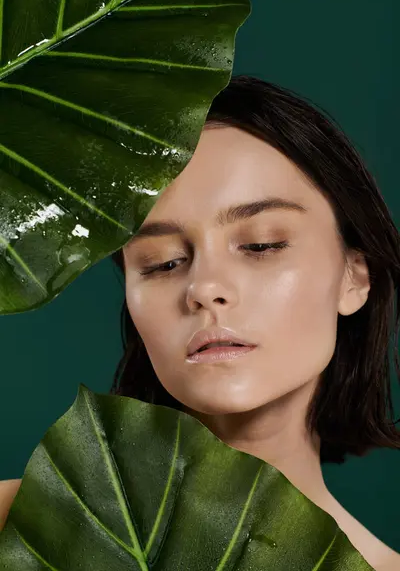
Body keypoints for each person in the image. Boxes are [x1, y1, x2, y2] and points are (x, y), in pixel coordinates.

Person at [1, 76, 399, 570]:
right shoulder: (20, 525)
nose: (204, 286)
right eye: (163, 262)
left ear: (354, 278)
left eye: (261, 245)